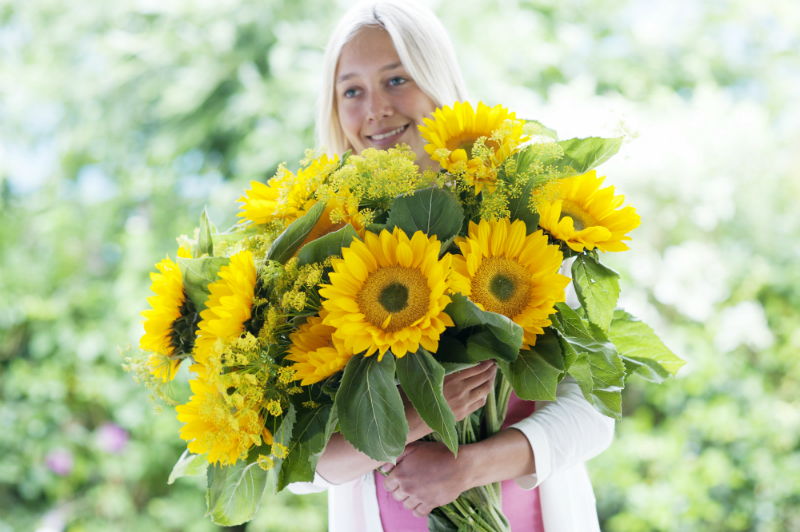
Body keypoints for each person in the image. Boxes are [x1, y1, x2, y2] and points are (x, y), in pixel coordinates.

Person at [288, 2, 616, 531]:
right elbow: (297, 464)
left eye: (396, 79)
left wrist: (463, 470)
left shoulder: (528, 219)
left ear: (436, 78)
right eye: (351, 90)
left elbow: (595, 413)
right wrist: (413, 420)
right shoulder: (320, 247)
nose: (374, 109)